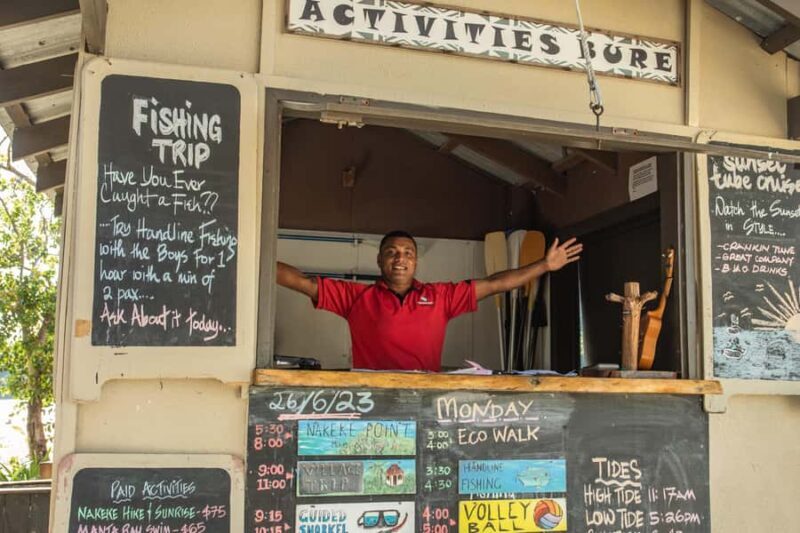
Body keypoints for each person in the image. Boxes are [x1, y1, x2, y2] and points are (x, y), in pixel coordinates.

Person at [276, 230, 582, 371]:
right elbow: (302, 282)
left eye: (407, 253)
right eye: (392, 253)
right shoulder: (356, 296)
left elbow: (494, 284)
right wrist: (255, 254)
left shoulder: (440, 297)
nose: (400, 259)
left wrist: (544, 266)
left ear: (415, 262)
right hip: (373, 396)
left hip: (423, 396)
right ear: (380, 260)